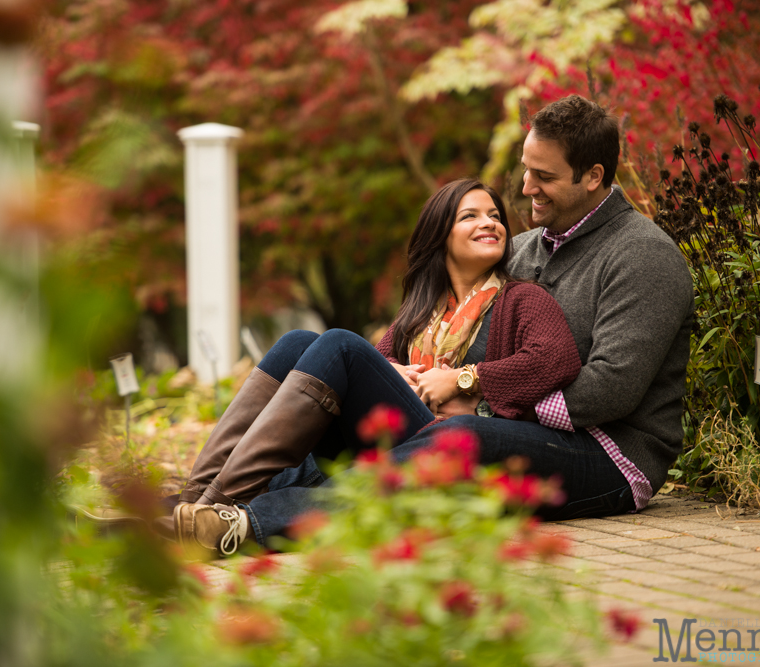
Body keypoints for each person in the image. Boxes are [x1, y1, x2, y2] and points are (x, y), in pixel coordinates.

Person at [171, 178, 582, 556]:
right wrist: (396, 371)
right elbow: (379, 360)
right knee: (298, 341)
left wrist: (463, 378)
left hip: (442, 443)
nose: (489, 223)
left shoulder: (522, 299)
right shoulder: (422, 310)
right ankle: (195, 499)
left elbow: (555, 358)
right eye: (470, 216)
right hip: (396, 433)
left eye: (495, 216)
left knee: (340, 345)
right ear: (440, 235)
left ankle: (212, 509)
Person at [390, 95, 695, 521]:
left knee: (458, 434)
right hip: (514, 430)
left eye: (544, 176)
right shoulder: (521, 250)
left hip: (610, 455)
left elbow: (611, 388)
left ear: (592, 176)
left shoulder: (643, 255)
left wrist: (480, 400)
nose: (526, 187)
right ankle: (274, 491)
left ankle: (293, 517)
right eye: (526, 168)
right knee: (338, 370)